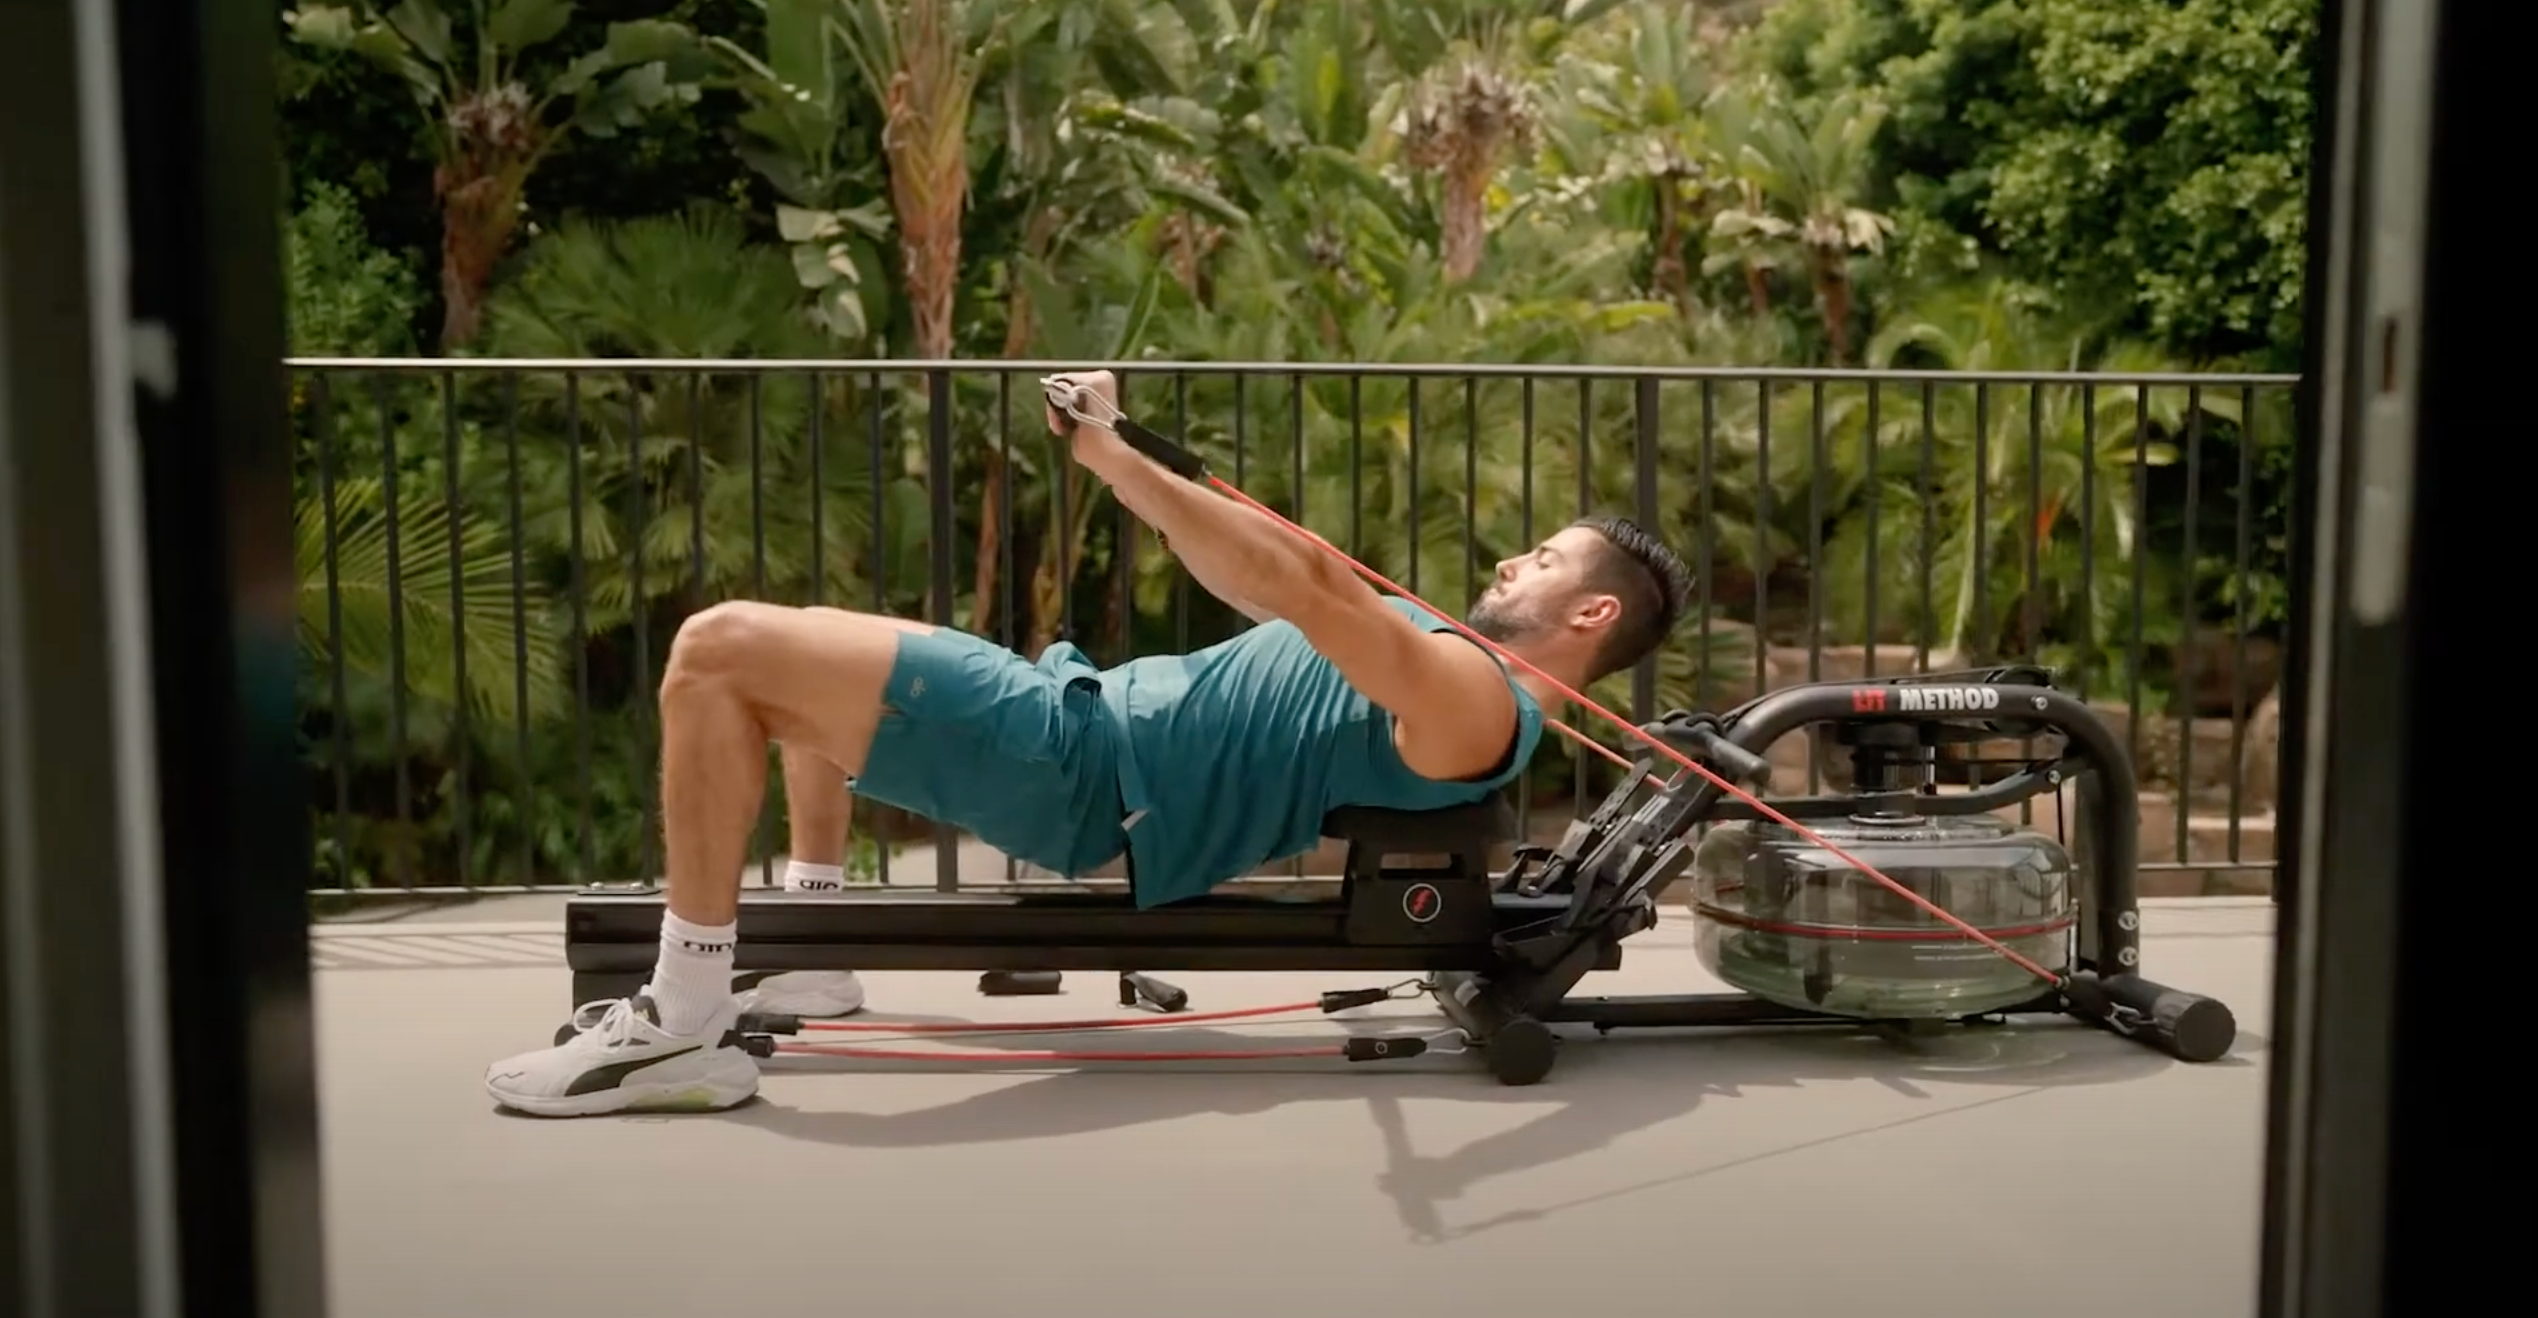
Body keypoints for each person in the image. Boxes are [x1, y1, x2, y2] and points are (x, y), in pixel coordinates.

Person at [483, 370, 1694, 1117]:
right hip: (1079, 723)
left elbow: (1308, 593)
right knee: (794, 653)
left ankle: (682, 1017)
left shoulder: (1480, 701)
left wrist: (1130, 466)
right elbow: (1280, 571)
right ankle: (811, 946)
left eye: (1540, 560)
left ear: (1592, 615)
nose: (1507, 560)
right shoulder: (1444, 653)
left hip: (1086, 774)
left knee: (716, 649)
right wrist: (1117, 452)